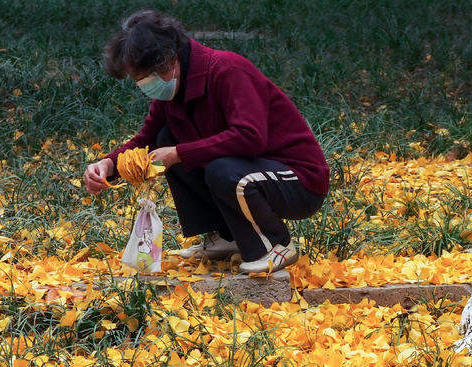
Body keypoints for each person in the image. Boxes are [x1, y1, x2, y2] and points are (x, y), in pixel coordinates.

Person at [83, 10, 329, 274]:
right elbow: (148, 140)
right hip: (251, 172)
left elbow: (250, 137)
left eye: (144, 77)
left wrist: (178, 153)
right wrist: (108, 165)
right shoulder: (173, 91)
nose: (143, 85)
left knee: (214, 166)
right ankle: (227, 236)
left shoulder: (227, 70)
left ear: (168, 61)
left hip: (299, 180)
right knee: (168, 139)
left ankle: (276, 244)